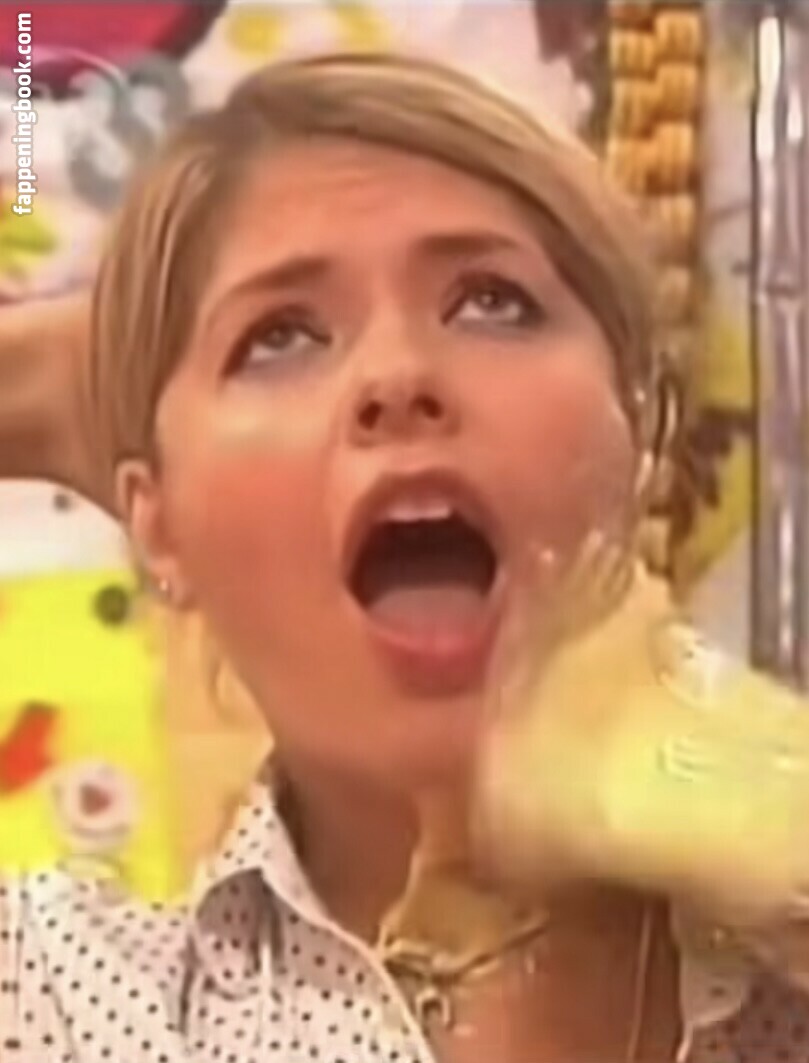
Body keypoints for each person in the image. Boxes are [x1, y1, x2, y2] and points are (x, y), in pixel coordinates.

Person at [1, 52, 808, 1063]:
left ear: (638, 428)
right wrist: (51, 379)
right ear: (157, 528)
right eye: (280, 336)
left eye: (489, 302)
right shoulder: (54, 1000)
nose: (395, 374)